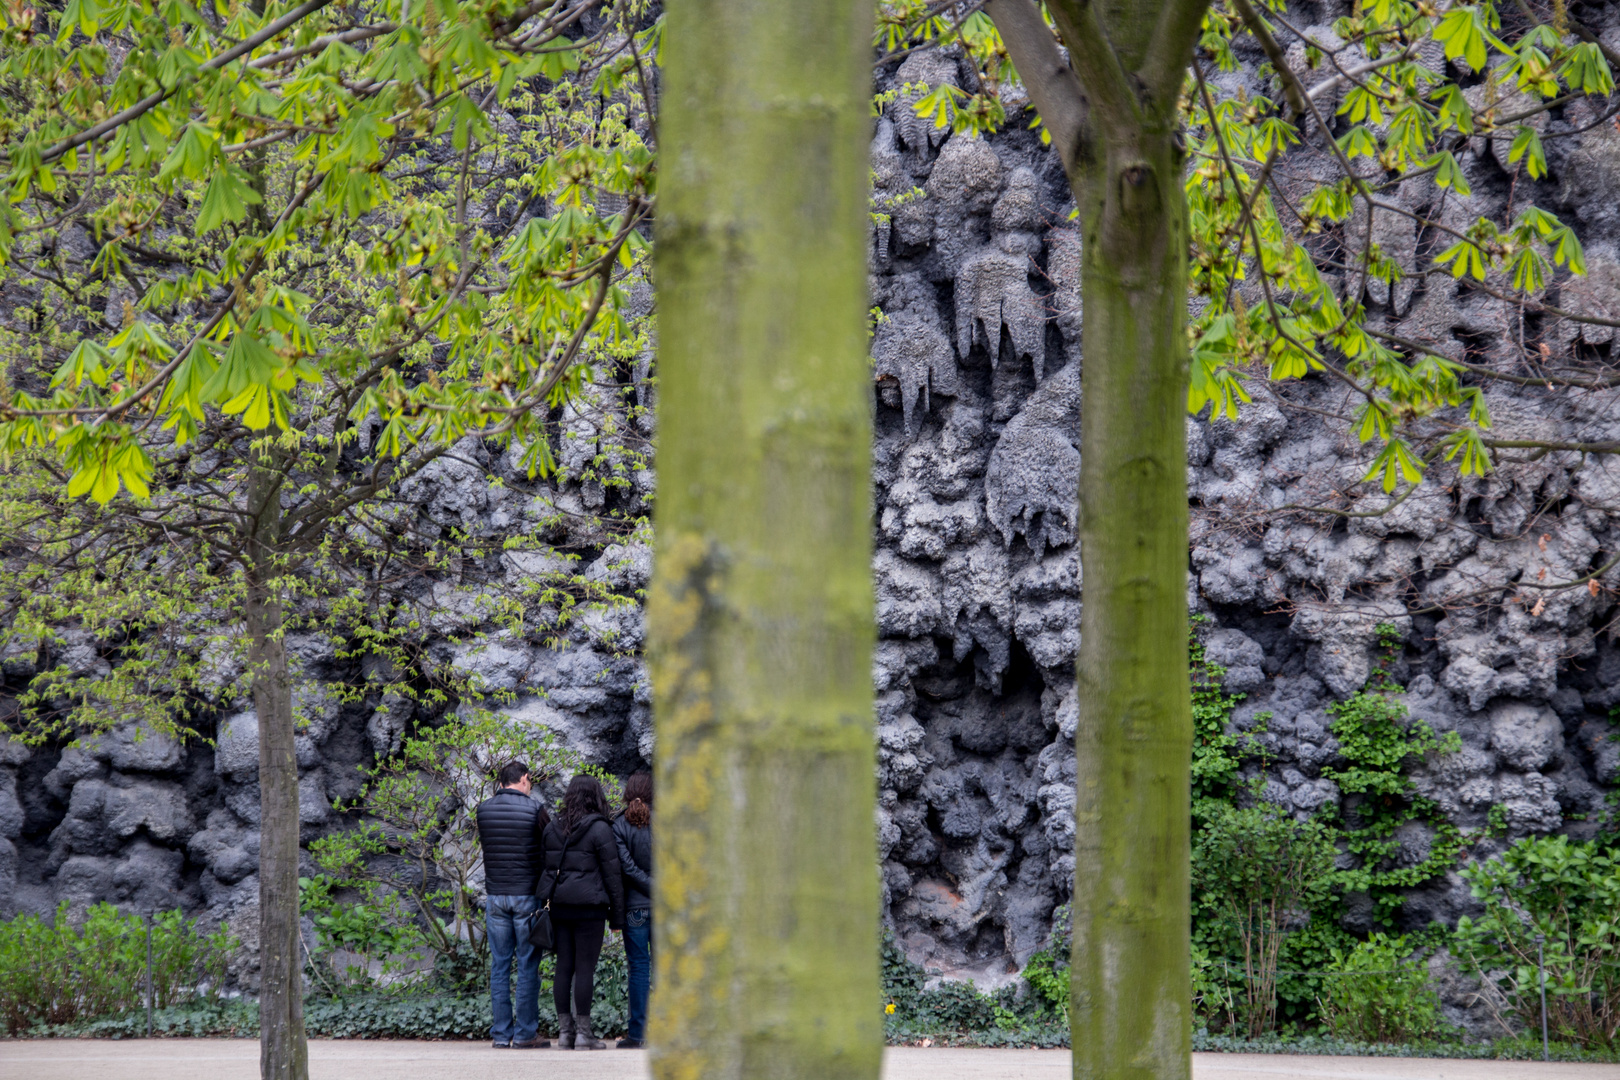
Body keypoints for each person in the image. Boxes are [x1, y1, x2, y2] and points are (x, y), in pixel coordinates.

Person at [537, 773, 625, 1050]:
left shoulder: (552, 827)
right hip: (590, 908)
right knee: (585, 968)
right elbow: (613, 875)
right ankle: (585, 1035)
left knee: (564, 967)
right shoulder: (600, 829)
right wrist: (617, 917)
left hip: (559, 907)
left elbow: (546, 866)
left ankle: (565, 1034)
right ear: (595, 796)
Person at [475, 760, 551, 1049]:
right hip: (526, 895)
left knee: (500, 965)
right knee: (528, 964)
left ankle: (501, 1034)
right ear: (523, 779)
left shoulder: (483, 810)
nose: (530, 786)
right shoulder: (535, 809)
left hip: (495, 895)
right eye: (529, 781)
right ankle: (524, 1034)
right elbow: (548, 847)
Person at [611, 772, 653, 1049]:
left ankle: (638, 1035)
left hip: (635, 907)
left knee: (639, 969)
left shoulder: (617, 824)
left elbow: (626, 868)